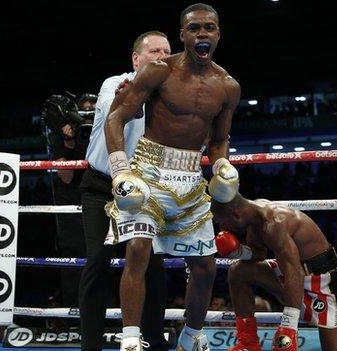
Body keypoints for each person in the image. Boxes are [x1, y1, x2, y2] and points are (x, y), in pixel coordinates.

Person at [103, 3, 240, 350]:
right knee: (138, 249)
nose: (203, 34)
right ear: (183, 34)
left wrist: (222, 167)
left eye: (209, 27)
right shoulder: (159, 72)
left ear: (218, 33)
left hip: (191, 177)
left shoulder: (228, 86)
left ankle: (192, 335)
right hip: (148, 171)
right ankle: (131, 337)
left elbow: (219, 140)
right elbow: (116, 118)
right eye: (195, 28)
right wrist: (120, 170)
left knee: (206, 267)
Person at [210, 194, 337, 351]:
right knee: (239, 271)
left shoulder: (275, 222)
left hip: (323, 282)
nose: (223, 228)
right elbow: (259, 254)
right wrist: (241, 252)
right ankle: (248, 343)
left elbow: (294, 272)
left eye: (222, 222)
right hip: (290, 274)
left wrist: (288, 327)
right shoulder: (253, 220)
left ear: (235, 213)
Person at [79, 31, 171, 351]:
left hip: (145, 187)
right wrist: (133, 93)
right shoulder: (114, 84)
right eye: (154, 51)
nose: (162, 56)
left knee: (153, 263)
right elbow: (115, 111)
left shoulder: (171, 95)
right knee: (98, 258)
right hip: (102, 185)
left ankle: (153, 339)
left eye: (167, 51)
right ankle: (90, 345)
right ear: (136, 59)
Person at [50, 93, 96, 308]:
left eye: (92, 107)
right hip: (71, 207)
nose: (88, 112)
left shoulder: (106, 132)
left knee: (101, 259)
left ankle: (106, 317)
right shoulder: (63, 136)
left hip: (99, 202)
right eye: (84, 108)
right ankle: (72, 318)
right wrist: (68, 144)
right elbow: (65, 177)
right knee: (72, 261)